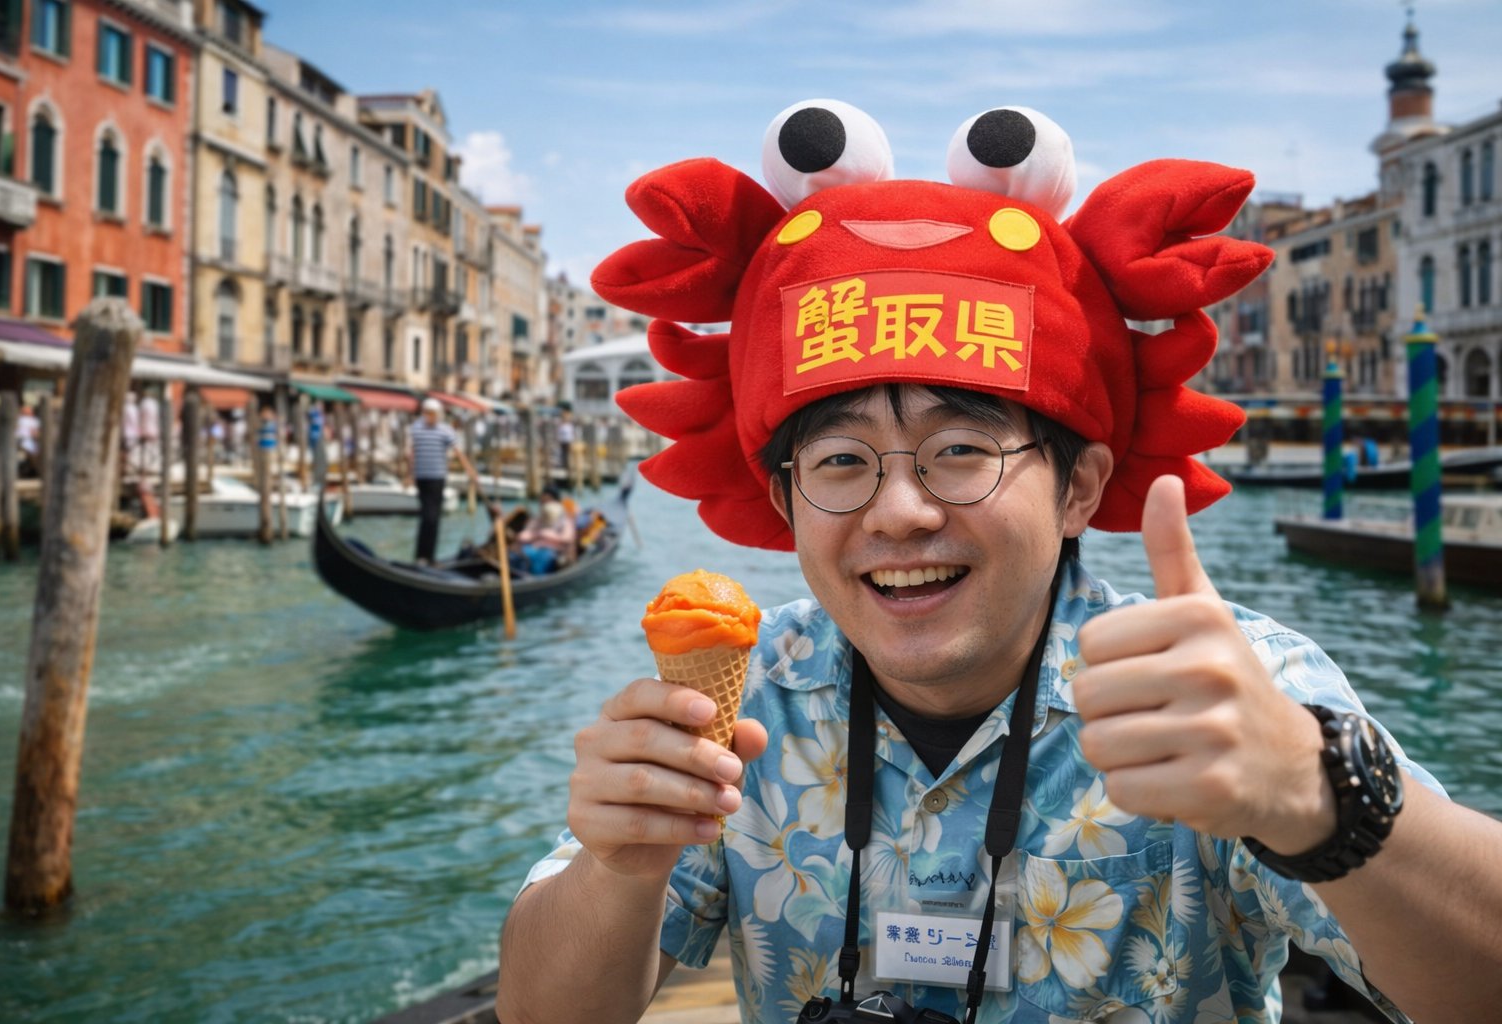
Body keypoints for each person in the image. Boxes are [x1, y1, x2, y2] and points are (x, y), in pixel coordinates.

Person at [496, 102, 1502, 1023]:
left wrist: (1322, 799)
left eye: (961, 451)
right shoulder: (742, 712)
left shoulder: (1231, 689)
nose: (899, 511)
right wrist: (620, 868)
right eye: (841, 462)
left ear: (1078, 488)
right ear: (782, 501)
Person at [405, 397, 478, 565]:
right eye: (427, 413)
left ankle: (428, 557)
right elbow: (412, 453)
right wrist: (408, 475)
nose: (430, 416)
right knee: (427, 516)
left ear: (438, 414)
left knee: (433, 517)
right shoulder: (416, 428)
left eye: (432, 413)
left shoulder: (445, 430)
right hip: (421, 478)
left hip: (437, 478)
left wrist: (470, 471)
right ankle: (422, 556)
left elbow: (458, 452)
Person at [515, 487, 577, 574]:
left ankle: (535, 576)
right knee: (518, 554)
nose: (544, 503)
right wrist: (537, 534)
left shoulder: (564, 520)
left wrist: (547, 535)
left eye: (547, 500)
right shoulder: (537, 519)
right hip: (534, 550)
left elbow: (567, 538)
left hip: (554, 553)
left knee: (544, 557)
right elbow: (524, 535)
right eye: (542, 501)